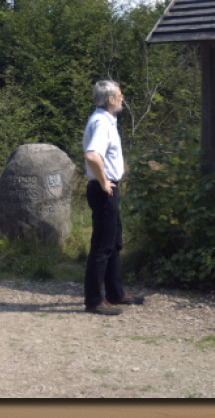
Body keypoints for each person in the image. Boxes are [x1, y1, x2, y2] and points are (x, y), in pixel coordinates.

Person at [82, 80, 145, 316]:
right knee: (102, 246)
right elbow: (92, 155)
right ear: (110, 99)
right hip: (103, 189)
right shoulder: (101, 122)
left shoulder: (106, 121)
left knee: (114, 241)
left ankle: (115, 292)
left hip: (107, 188)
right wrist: (104, 181)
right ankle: (94, 300)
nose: (122, 98)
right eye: (119, 95)